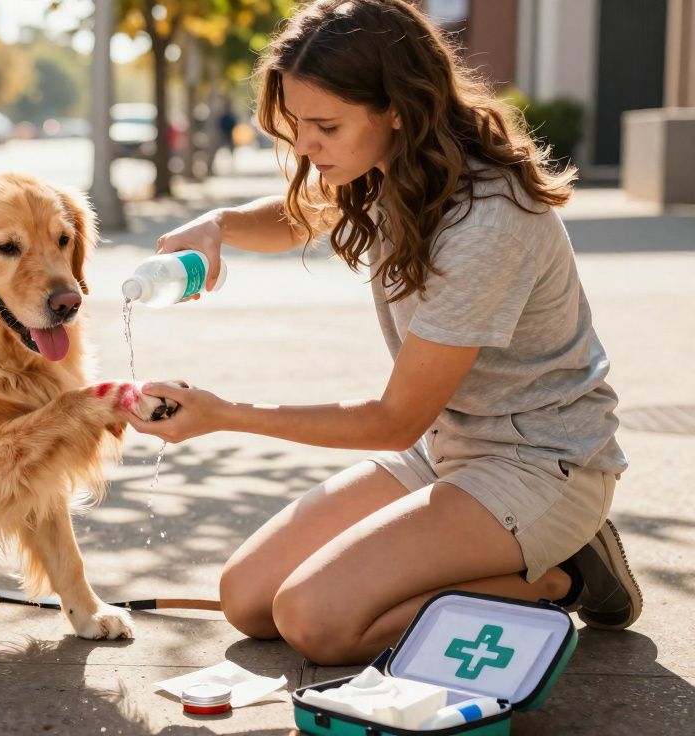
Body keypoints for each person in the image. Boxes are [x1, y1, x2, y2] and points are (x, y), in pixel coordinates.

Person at [120, 0, 640, 666]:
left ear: (396, 107)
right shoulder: (393, 166)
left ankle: (562, 575)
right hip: (447, 447)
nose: (304, 146)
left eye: (325, 126)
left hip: (540, 465)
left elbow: (395, 420)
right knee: (247, 599)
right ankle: (478, 556)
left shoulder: (487, 221)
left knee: (316, 622)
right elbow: (300, 216)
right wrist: (217, 224)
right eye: (297, 124)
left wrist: (225, 415)